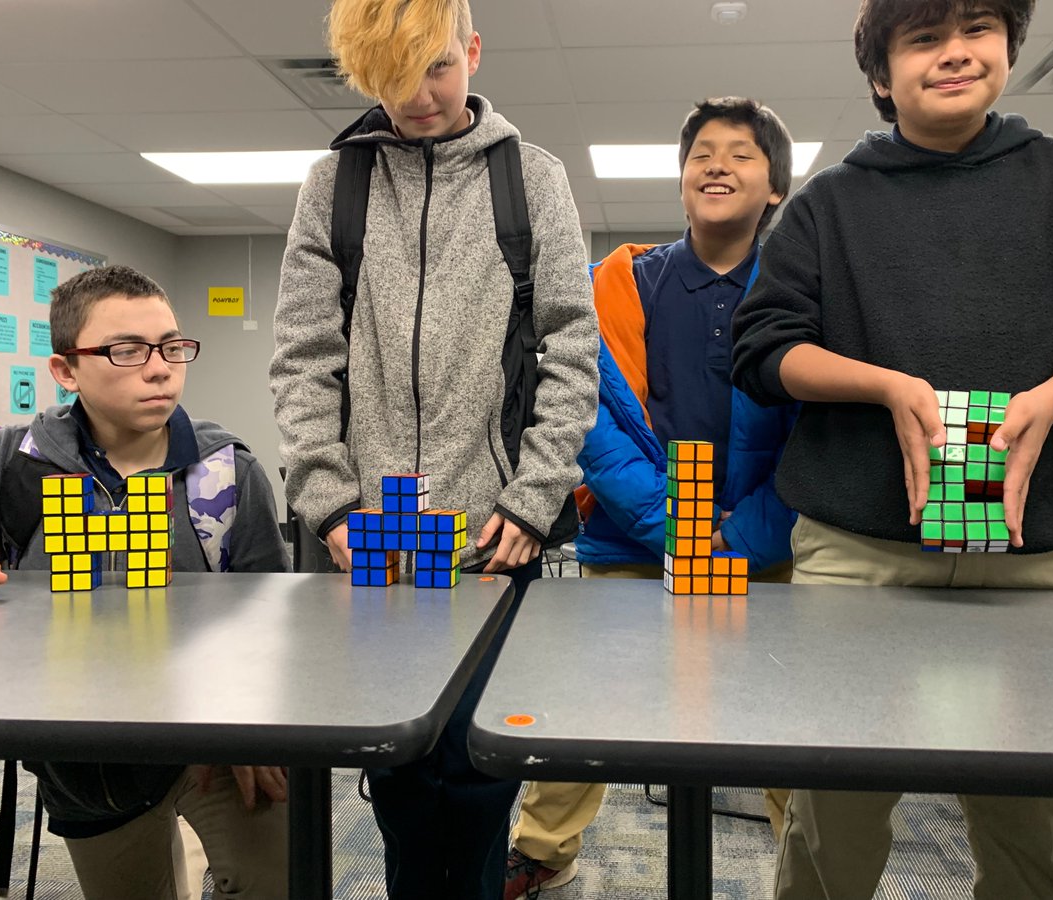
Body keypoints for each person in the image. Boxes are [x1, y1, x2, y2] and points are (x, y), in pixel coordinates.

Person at [730, 0, 1053, 897]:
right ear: (882, 75)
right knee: (832, 825)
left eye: (976, 28)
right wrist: (886, 385)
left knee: (1031, 829)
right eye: (924, 37)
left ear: (1010, 45)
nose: (955, 53)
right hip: (859, 557)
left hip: (1035, 557)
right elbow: (764, 346)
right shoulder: (830, 201)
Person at [269, 0, 599, 896]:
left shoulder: (533, 179)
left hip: (494, 538)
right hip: (369, 545)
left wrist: (532, 500)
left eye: (438, 68)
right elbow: (304, 364)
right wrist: (331, 505)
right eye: (391, 76)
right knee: (403, 775)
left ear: (475, 51)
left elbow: (571, 354)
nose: (418, 95)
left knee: (483, 767)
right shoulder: (329, 187)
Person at [504, 97, 799, 899]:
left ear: (775, 188)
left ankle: (804, 873)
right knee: (585, 713)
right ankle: (541, 854)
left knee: (785, 729)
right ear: (680, 179)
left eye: (741, 154)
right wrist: (673, 526)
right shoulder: (618, 283)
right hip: (633, 547)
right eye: (702, 152)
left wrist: (738, 540)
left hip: (763, 552)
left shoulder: (800, 294)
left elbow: (815, 437)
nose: (716, 165)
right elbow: (585, 419)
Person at [0, 264, 291, 899]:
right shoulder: (6, 466)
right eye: (127, 350)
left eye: (172, 347)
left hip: (217, 738)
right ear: (66, 371)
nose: (159, 368)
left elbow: (275, 618)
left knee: (276, 878)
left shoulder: (226, 469)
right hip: (85, 760)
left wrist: (258, 725)